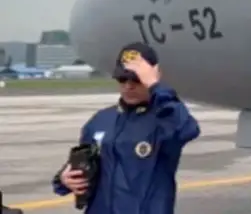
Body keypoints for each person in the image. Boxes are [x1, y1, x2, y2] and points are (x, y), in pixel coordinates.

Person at [51, 42, 200, 214]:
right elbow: (81, 165)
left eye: (136, 79)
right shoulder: (100, 120)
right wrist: (64, 180)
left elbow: (188, 129)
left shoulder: (164, 120)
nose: (129, 86)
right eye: (122, 79)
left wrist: (156, 86)